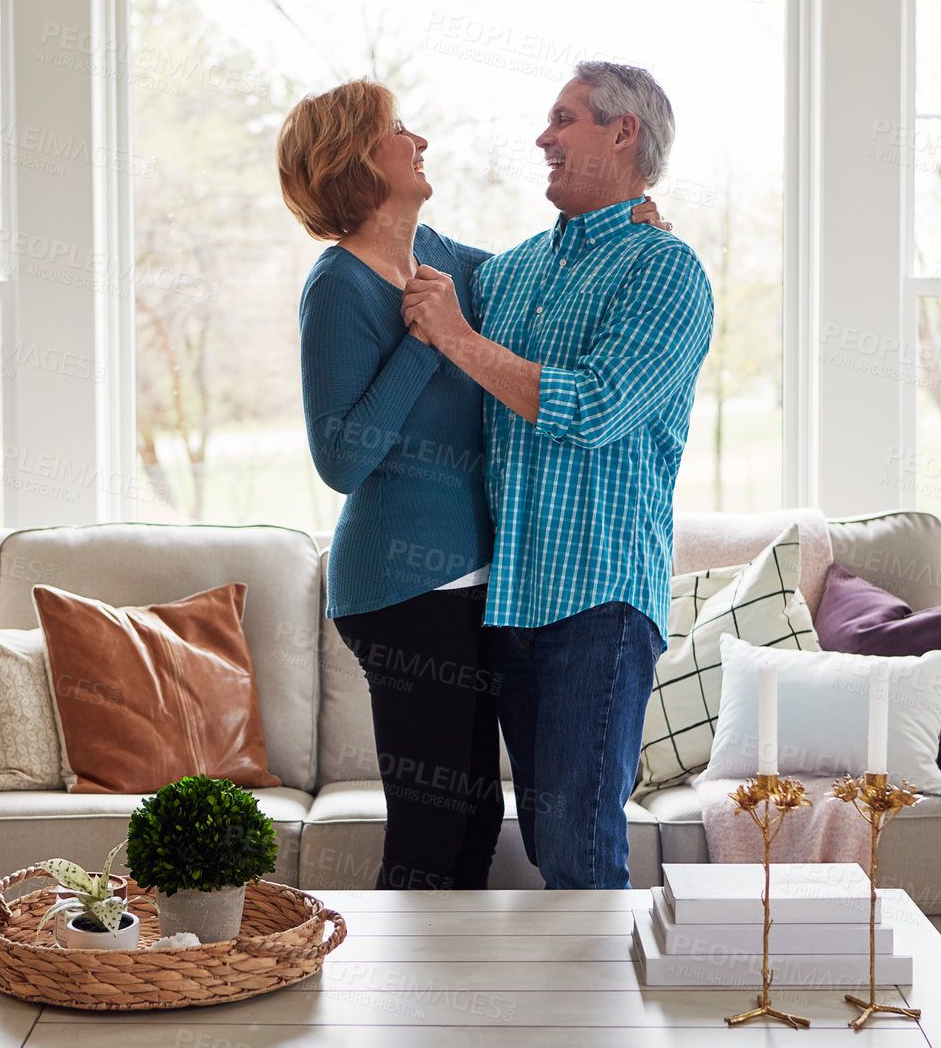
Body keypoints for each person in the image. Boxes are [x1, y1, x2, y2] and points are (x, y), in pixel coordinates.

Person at [278, 78, 667, 890]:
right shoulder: (339, 286)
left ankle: (451, 1008)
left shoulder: (450, 263)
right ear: (358, 155)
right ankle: (394, 1011)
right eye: (397, 130)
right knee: (433, 826)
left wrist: (635, 224)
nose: (419, 141)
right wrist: (426, 341)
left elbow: (545, 278)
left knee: (476, 819)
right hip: (398, 585)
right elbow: (340, 459)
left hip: (478, 587)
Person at [401, 62, 714, 890]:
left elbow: (597, 406)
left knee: (578, 852)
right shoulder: (511, 272)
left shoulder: (665, 273)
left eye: (563, 119)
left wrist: (459, 340)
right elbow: (404, 249)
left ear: (624, 132)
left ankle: (599, 1024)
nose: (542, 138)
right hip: (511, 605)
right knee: (547, 844)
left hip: (600, 605)